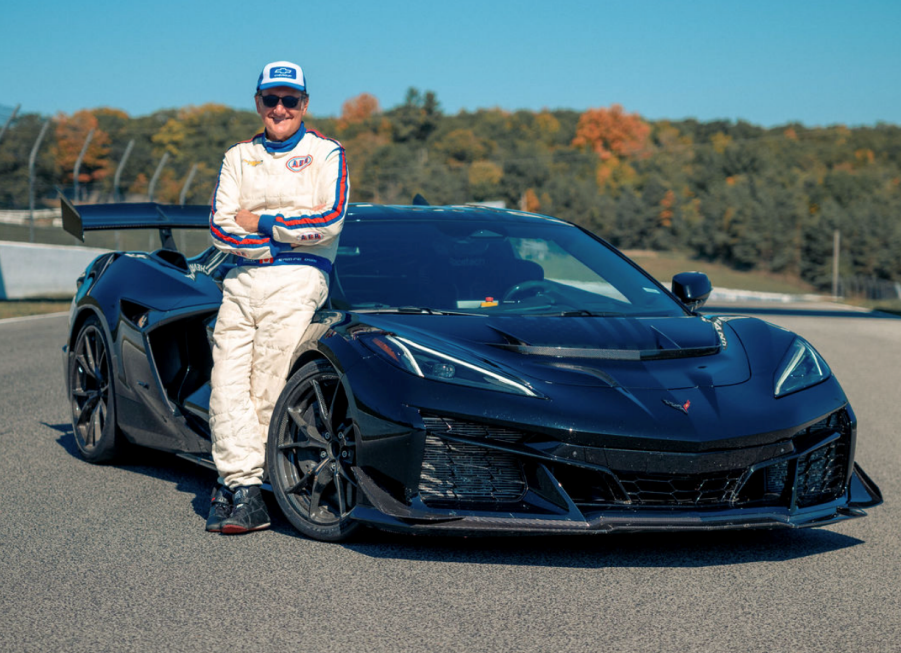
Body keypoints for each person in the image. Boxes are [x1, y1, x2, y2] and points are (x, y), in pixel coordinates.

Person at [205, 60, 349, 534]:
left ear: (305, 104)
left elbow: (328, 220)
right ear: (258, 103)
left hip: (299, 279)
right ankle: (240, 486)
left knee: (268, 385)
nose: (280, 108)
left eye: (290, 100)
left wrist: (264, 223)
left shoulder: (327, 153)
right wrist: (277, 238)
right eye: (272, 99)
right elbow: (221, 225)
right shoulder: (237, 156)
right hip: (242, 278)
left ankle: (252, 489)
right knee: (226, 386)